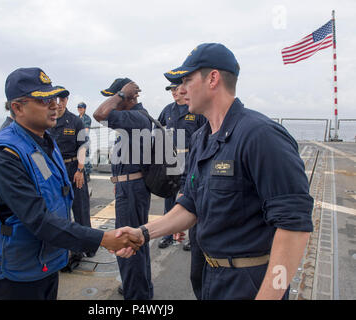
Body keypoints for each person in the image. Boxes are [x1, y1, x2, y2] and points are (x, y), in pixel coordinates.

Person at [114, 43, 314, 300]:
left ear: (213, 78)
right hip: (208, 275)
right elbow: (190, 205)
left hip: (248, 283)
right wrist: (143, 233)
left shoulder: (260, 136)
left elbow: (294, 227)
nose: (181, 89)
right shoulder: (201, 138)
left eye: (187, 79)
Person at [0, 67, 140, 300]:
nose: (54, 105)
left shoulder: (44, 142)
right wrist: (103, 238)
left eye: (53, 98)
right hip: (18, 274)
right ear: (18, 107)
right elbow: (39, 220)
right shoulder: (4, 156)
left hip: (47, 263)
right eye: (43, 100)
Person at [93, 78, 153, 300]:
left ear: (128, 97)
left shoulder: (135, 117)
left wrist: (121, 94)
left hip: (132, 189)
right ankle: (140, 288)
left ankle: (137, 296)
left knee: (127, 244)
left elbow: (99, 114)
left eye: (117, 97)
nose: (113, 102)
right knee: (137, 241)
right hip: (129, 186)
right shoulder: (135, 117)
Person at [156, 82, 206, 300]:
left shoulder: (194, 110)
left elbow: (206, 133)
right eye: (172, 90)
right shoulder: (167, 111)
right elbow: (157, 132)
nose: (175, 93)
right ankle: (168, 233)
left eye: (177, 89)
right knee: (170, 197)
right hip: (171, 159)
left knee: (190, 196)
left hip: (190, 158)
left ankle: (190, 236)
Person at [47, 89, 95, 270]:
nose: (59, 102)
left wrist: (80, 170)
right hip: (53, 170)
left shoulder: (75, 121)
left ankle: (89, 245)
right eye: (55, 99)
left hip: (73, 167)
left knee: (81, 208)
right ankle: (63, 247)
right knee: (57, 210)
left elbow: (83, 146)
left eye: (62, 99)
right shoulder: (46, 121)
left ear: (67, 100)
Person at [77, 102, 93, 182]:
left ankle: (87, 174)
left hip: (84, 141)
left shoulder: (87, 118)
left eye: (81, 108)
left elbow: (85, 131)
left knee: (85, 158)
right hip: (77, 141)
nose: (80, 109)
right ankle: (81, 173)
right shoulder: (76, 118)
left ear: (85, 109)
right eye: (79, 108)